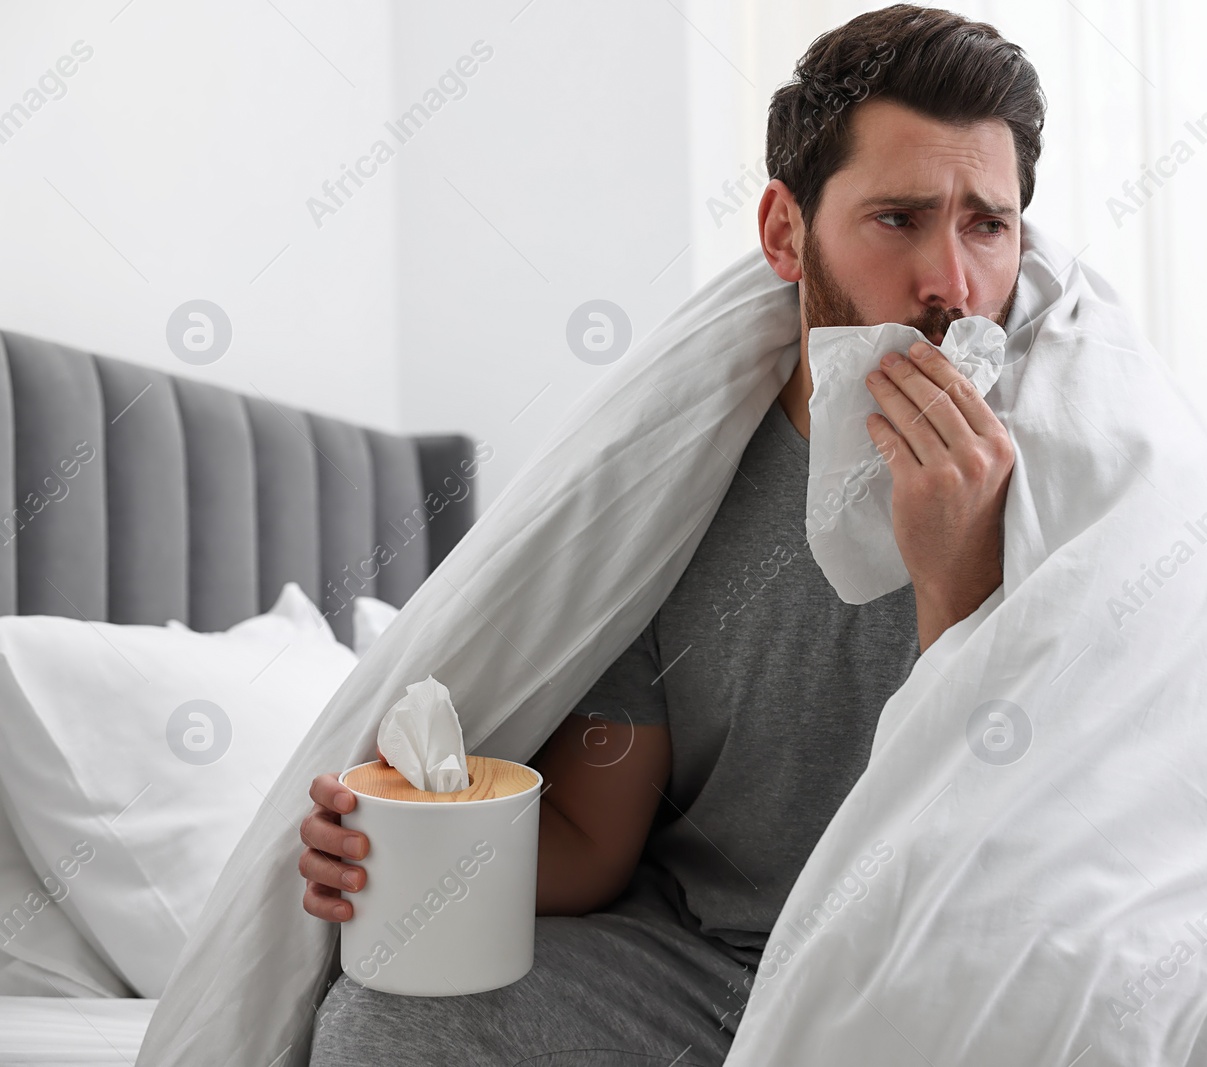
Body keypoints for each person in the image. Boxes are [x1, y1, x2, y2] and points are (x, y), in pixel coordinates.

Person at [302, 5, 1044, 1063]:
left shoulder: (1067, 475)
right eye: (898, 218)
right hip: (703, 967)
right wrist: (396, 848)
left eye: (987, 224)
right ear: (785, 233)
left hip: (938, 962)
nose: (951, 284)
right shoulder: (673, 486)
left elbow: (1039, 821)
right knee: (384, 1017)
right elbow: (595, 845)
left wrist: (958, 572)